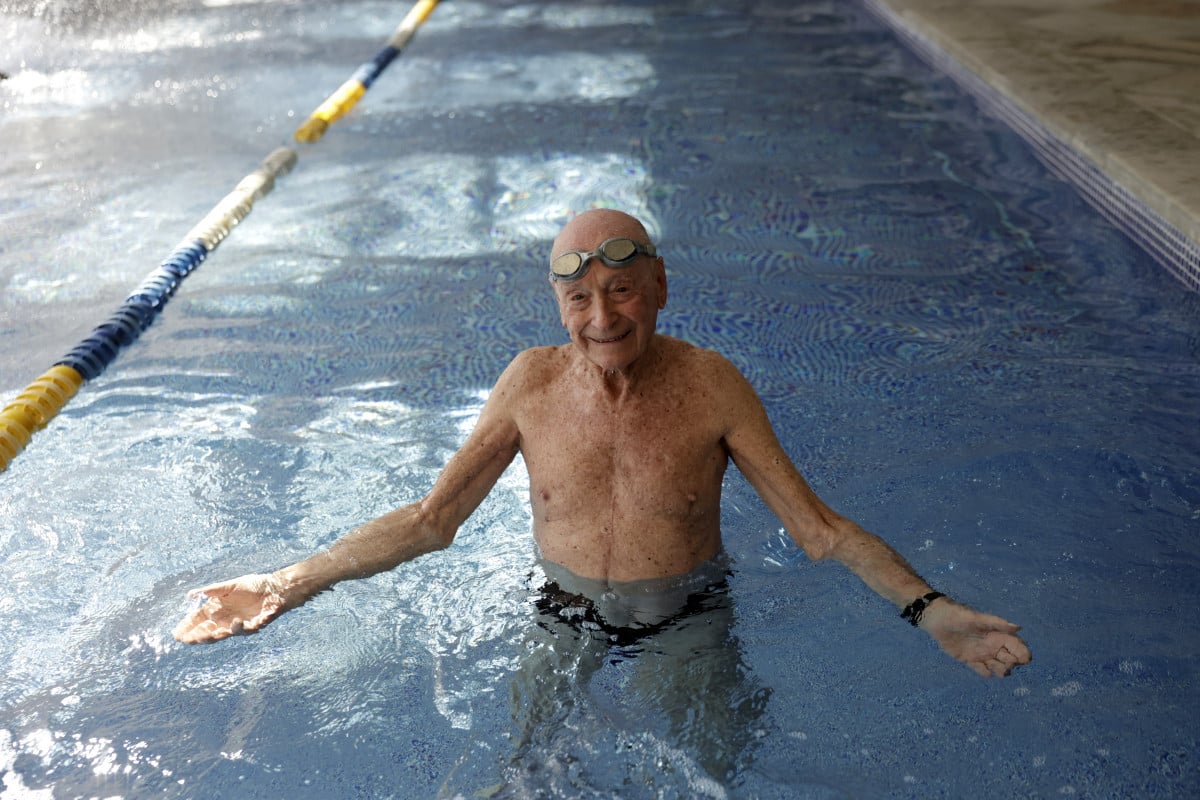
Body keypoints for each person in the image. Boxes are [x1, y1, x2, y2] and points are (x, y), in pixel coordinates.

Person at [173, 208, 1031, 680]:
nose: (603, 317)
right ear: (556, 306)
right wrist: (284, 585)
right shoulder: (530, 386)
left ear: (658, 288)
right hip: (564, 617)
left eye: (622, 290)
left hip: (687, 619)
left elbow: (819, 530)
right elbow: (433, 521)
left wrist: (930, 613)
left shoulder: (713, 386)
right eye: (580, 299)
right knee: (519, 777)